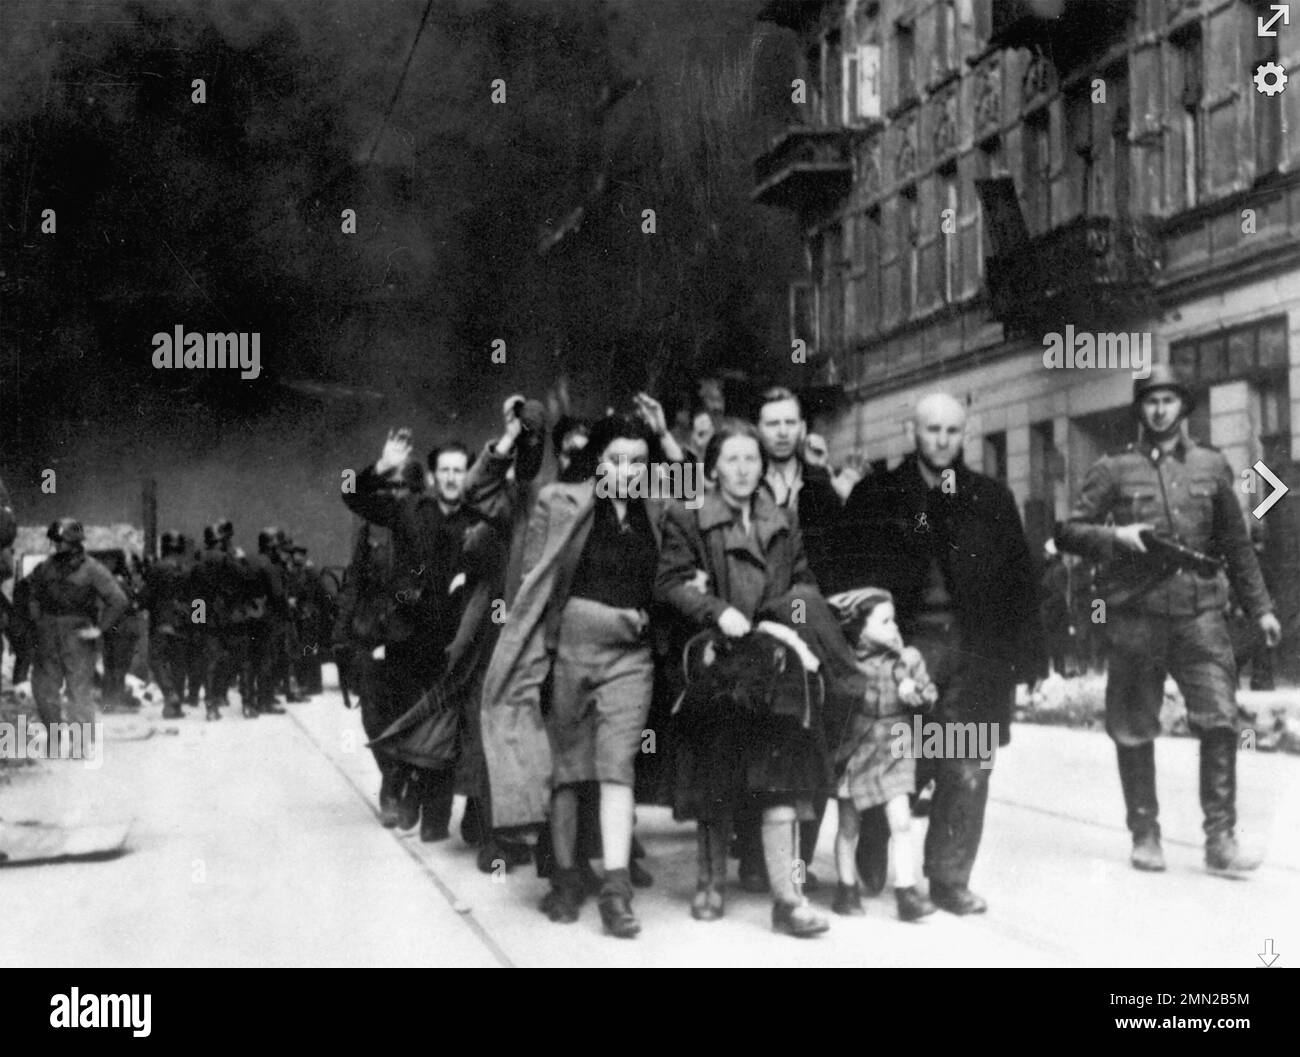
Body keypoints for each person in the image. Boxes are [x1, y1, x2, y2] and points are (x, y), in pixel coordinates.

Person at [1057, 365, 1281, 877]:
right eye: (1150, 401)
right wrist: (1115, 537)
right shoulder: (1114, 468)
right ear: (1140, 409)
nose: (1159, 410)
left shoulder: (1211, 465)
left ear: (1183, 406)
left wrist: (1262, 608)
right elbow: (1069, 531)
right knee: (1134, 727)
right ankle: (1145, 833)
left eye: (1168, 400)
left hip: (1200, 616)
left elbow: (1236, 544)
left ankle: (1220, 839)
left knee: (1221, 720)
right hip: (1136, 615)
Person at [841, 392, 1042, 914]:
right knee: (892, 752)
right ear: (912, 431)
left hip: (975, 649)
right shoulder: (876, 495)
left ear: (965, 434)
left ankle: (949, 879)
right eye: (932, 429)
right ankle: (872, 844)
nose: (942, 440)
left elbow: (1020, 581)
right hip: (900, 647)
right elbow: (846, 576)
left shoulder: (990, 498)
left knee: (966, 762)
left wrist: (1029, 658)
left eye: (953, 431)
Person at [481, 413, 666, 938]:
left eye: (638, 461)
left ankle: (616, 890)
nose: (627, 471)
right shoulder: (558, 501)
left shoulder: (661, 507)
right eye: (616, 459)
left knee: (616, 767)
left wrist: (665, 437)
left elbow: (695, 503)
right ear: (597, 460)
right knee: (566, 771)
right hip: (569, 653)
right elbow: (533, 582)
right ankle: (564, 878)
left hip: (631, 656)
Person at [656, 418, 831, 937]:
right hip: (720, 659)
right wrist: (715, 610)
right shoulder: (688, 516)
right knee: (716, 773)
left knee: (783, 777)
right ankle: (709, 883)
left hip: (772, 656)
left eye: (751, 459)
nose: (742, 469)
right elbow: (669, 582)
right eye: (731, 459)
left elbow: (802, 581)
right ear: (712, 468)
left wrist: (789, 619)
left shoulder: (782, 519)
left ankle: (788, 899)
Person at [343, 432, 479, 841]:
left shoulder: (478, 519)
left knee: (446, 727)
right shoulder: (409, 511)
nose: (452, 478)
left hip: (455, 640)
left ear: (468, 475)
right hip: (406, 637)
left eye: (459, 471)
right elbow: (351, 494)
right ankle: (401, 785)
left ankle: (435, 815)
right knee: (402, 721)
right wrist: (382, 466)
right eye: (445, 471)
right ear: (434, 477)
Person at [753, 386, 844, 887]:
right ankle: (757, 854)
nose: (783, 432)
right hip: (758, 620)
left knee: (816, 735)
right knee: (763, 736)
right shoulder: (746, 477)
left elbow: (842, 549)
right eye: (773, 423)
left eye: (791, 422)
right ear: (758, 429)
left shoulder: (819, 484)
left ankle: (799, 860)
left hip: (814, 621)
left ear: (803, 428)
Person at [829, 588, 936, 922]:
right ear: (861, 628)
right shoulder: (848, 661)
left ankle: (906, 893)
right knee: (849, 826)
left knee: (901, 821)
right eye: (885, 622)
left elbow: (930, 695)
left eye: (894, 621)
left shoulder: (908, 659)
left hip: (896, 746)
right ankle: (846, 889)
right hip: (857, 748)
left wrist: (918, 693)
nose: (894, 627)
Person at [28, 519, 129, 734]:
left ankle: (81, 743)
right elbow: (32, 595)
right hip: (48, 634)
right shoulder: (45, 567)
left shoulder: (92, 569)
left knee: (79, 692)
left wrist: (99, 629)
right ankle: (54, 736)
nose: (56, 546)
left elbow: (118, 600)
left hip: (77, 635)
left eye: (60, 541)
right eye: (54, 541)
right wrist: (37, 622)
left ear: (74, 542)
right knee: (44, 690)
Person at [142, 531, 195, 718]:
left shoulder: (156, 568)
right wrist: (199, 621)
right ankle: (175, 706)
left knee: (155, 659)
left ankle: (169, 693)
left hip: (162, 620)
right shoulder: (190, 569)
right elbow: (198, 598)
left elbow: (147, 596)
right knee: (179, 662)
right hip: (184, 620)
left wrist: (141, 605)